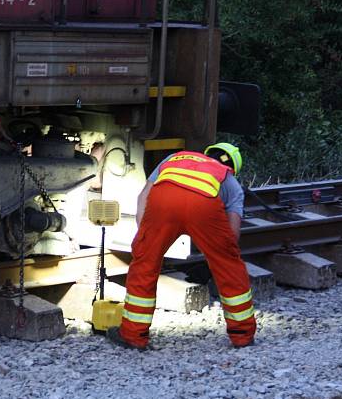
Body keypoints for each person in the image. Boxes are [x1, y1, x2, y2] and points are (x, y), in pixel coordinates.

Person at [107, 142, 256, 350]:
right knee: (229, 266)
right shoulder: (230, 182)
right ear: (232, 167)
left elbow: (143, 197)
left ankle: (133, 336)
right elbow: (232, 235)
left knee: (145, 264)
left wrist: (147, 239)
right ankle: (242, 335)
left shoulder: (175, 158)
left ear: (206, 153)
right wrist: (217, 251)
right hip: (204, 206)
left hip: (163, 200)